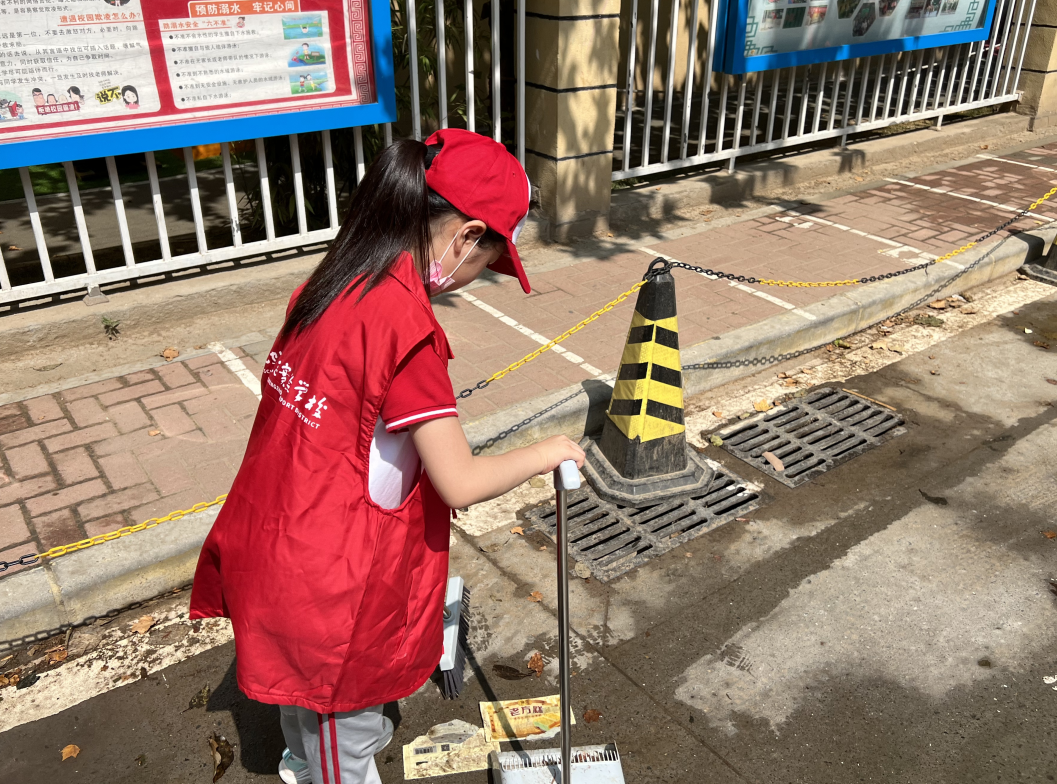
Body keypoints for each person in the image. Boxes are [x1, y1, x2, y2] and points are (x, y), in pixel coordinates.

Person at [189, 129, 584, 784]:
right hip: (330, 583)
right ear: (466, 236)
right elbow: (459, 481)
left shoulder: (333, 282)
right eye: (487, 260)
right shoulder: (406, 331)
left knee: (308, 705)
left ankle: (301, 759)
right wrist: (548, 450)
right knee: (340, 737)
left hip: (278, 537)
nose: (476, 277)